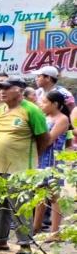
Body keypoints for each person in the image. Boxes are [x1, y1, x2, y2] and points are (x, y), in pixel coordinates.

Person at [0, 76, 49, 254]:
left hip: (20, 169)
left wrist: (32, 161)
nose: (2, 91)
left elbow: (44, 139)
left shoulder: (32, 110)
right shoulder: (0, 110)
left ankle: (25, 246)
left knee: (21, 208)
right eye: (0, 88)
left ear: (19, 89)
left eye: (6, 88)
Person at [32, 90, 71, 235]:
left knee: (54, 196)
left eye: (44, 102)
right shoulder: (44, 117)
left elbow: (48, 140)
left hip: (53, 161)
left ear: (55, 104)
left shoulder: (62, 119)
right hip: (41, 159)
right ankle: (35, 228)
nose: (41, 105)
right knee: (40, 194)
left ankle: (55, 232)